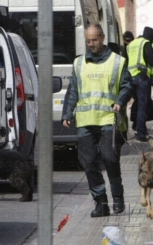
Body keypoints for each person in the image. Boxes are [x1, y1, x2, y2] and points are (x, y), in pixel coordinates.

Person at [61, 24, 133, 217]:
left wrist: (119, 101)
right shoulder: (79, 63)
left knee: (110, 159)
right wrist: (67, 114)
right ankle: (101, 202)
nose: (90, 44)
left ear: (102, 37)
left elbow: (127, 86)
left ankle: (118, 197)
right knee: (89, 162)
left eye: (94, 40)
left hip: (108, 119)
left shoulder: (117, 61)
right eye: (88, 40)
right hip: (85, 121)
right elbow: (73, 91)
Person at [127, 26, 153, 142]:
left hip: (131, 78)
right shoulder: (146, 43)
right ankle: (141, 133)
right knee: (142, 106)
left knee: (136, 104)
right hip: (142, 78)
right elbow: (151, 61)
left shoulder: (132, 44)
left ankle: (138, 128)